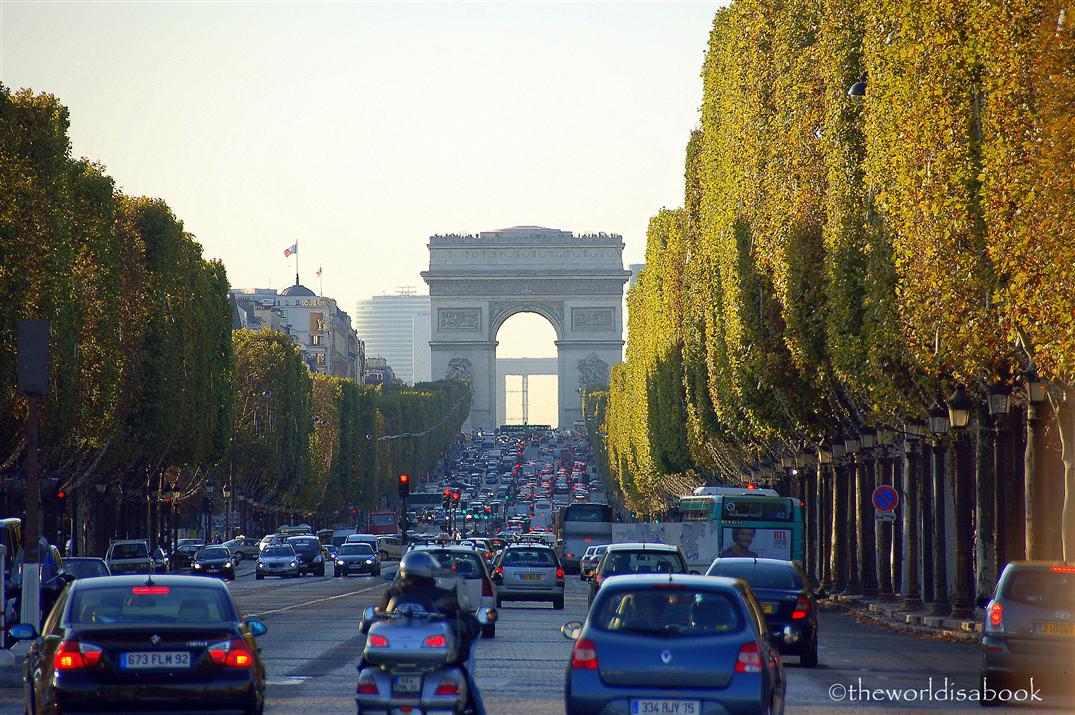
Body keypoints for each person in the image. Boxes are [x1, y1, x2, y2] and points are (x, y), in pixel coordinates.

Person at [364, 551, 486, 713]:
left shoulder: (393, 593)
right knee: (467, 682)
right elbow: (464, 619)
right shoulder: (440, 593)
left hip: (393, 659)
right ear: (429, 570)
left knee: (365, 666)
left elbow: (376, 618)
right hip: (432, 660)